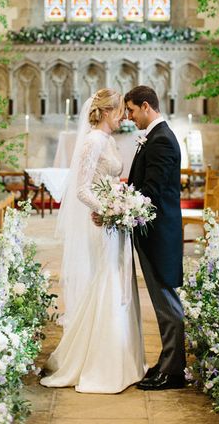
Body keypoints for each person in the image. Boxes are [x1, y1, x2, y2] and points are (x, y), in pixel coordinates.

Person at [40, 89, 146, 393]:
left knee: (118, 279)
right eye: (120, 111)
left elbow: (112, 179)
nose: (125, 116)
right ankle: (101, 363)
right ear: (109, 111)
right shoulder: (91, 142)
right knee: (108, 281)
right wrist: (109, 210)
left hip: (115, 221)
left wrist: (122, 202)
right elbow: (81, 190)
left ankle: (123, 360)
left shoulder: (110, 141)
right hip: (102, 222)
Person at [124, 85, 186, 391]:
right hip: (155, 232)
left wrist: (120, 205)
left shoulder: (161, 140)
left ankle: (173, 373)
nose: (129, 117)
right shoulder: (157, 137)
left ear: (146, 106)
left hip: (159, 233)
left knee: (166, 303)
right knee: (163, 301)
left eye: (132, 110)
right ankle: (167, 362)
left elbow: (151, 192)